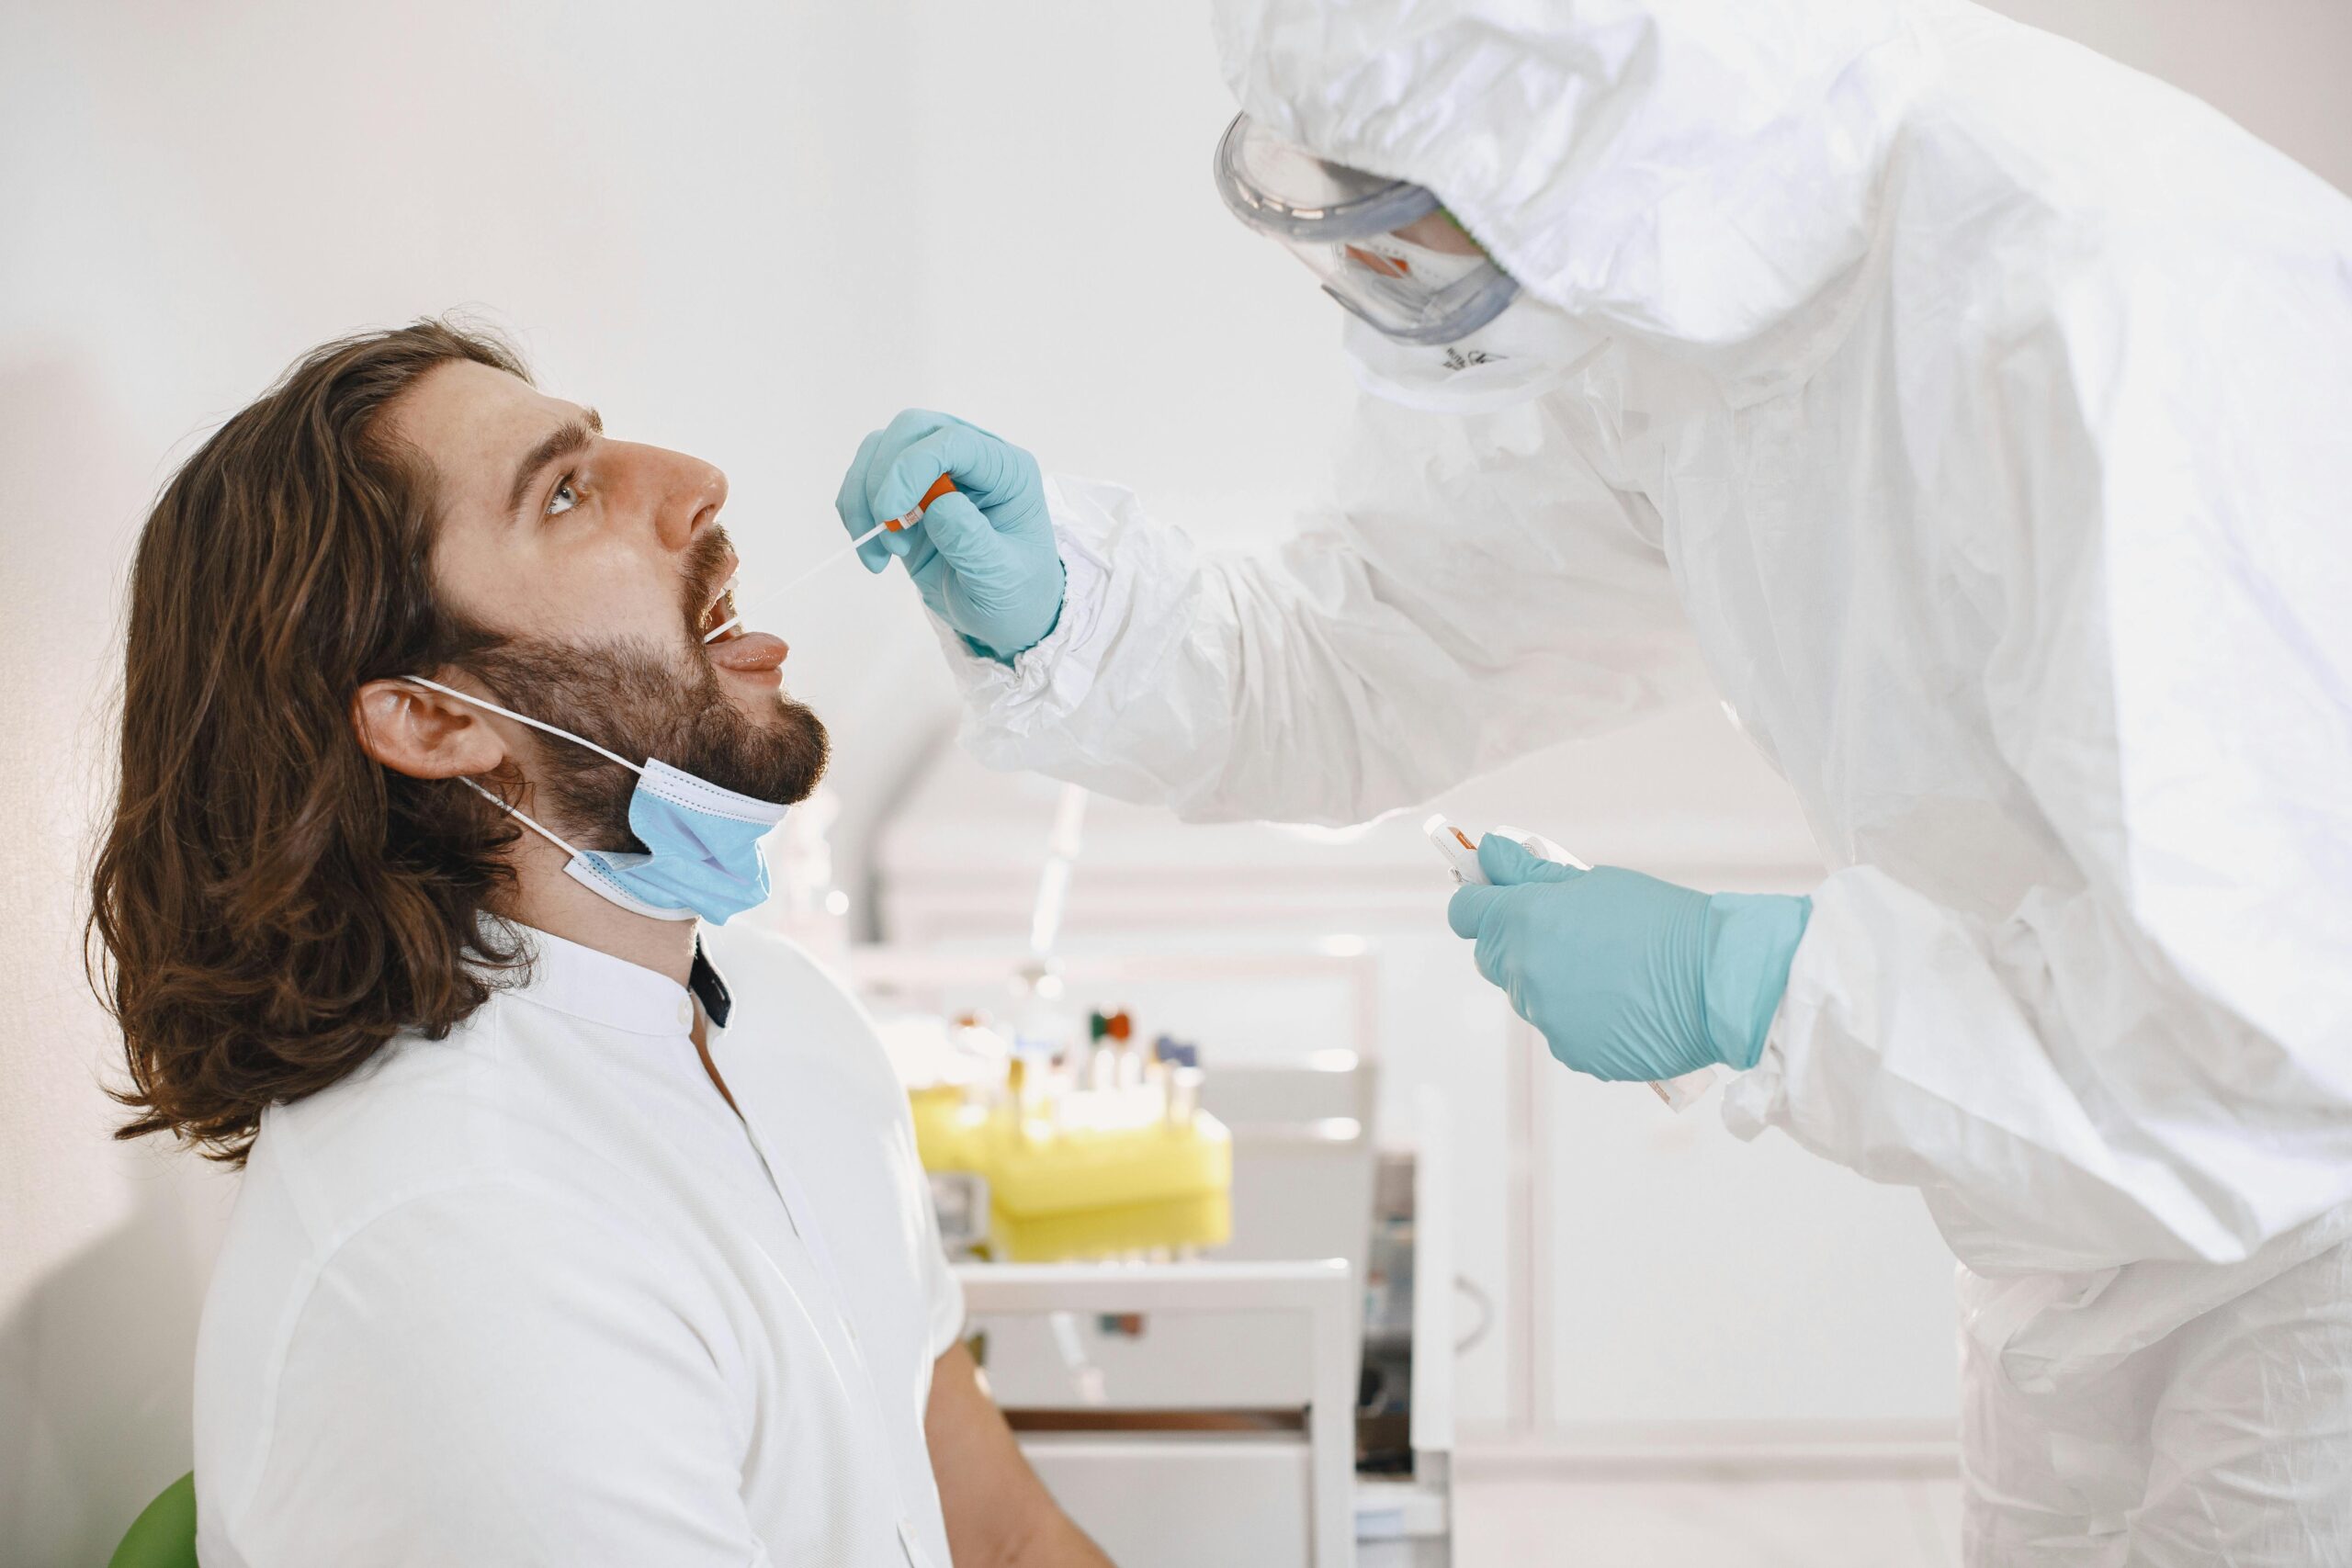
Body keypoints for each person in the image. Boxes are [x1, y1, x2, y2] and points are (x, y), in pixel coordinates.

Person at [834, 1, 2352, 1562]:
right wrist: (1075, 617)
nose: (1388, 270)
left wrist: (1757, 986)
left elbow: (2263, 1041)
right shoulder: (1686, 284)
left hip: (2311, 1275)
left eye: (1405, 201)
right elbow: (1380, 651)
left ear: (1561, 107)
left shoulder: (2099, 302)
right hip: (2079, 1238)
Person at [88, 321, 1113, 1568]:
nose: (694, 480)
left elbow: (1001, 1540)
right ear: (427, 717)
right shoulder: (471, 1248)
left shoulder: (785, 1021)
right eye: (565, 492)